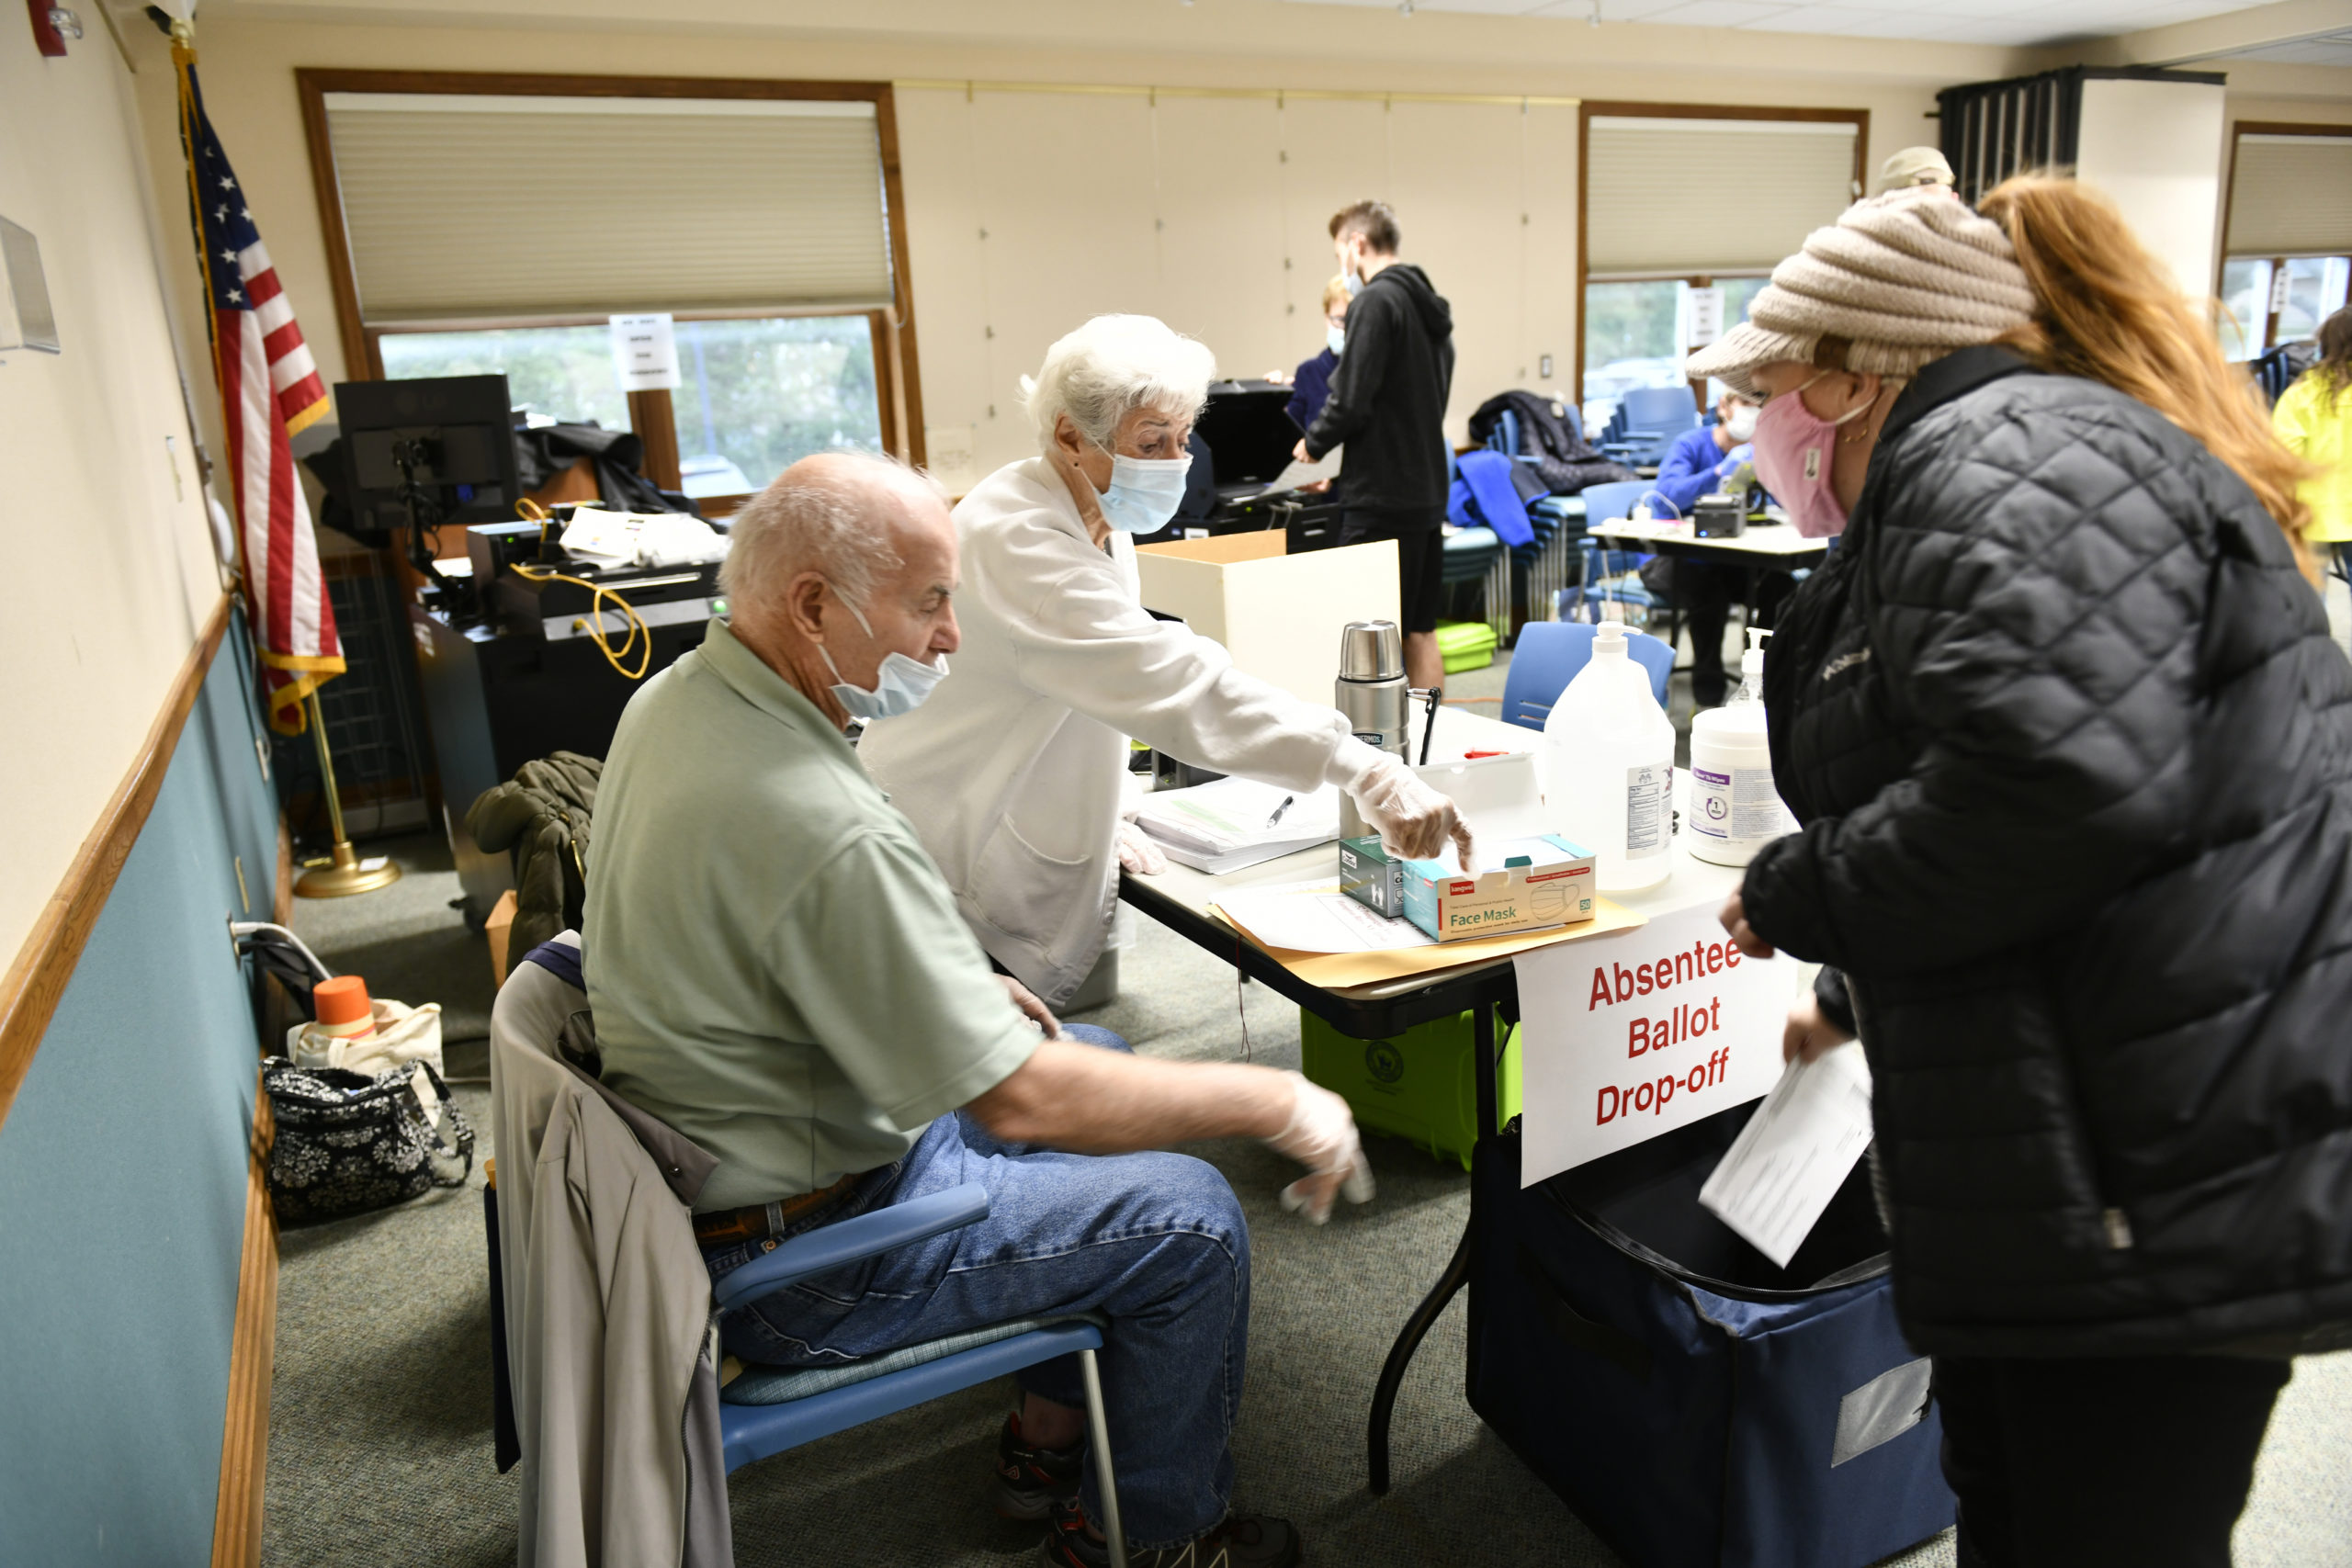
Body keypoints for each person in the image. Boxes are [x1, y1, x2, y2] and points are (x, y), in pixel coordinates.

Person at [1697, 180, 2352, 1568]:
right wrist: (1855, 982)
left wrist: (1806, 887)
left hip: (2158, 1166)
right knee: (2021, 1506)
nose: (1750, 427)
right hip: (2096, 1133)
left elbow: (2063, 778)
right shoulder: (2013, 462)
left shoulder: (1999, 456)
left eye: (1762, 387)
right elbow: (2004, 778)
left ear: (1850, 373)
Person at [583, 452, 1379, 1568]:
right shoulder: (815, 817)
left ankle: (1047, 1443)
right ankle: (1156, 1541)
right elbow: (1023, 1102)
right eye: (929, 603)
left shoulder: (679, 700)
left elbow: (758, 934)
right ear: (814, 606)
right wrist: (1275, 1097)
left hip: (727, 1161)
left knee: (1094, 1043)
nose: (953, 637)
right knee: (1191, 1218)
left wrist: (935, 979)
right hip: (803, 1261)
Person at [860, 314, 1473, 1010]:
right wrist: (1363, 765)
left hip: (984, 814)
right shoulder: (1022, 540)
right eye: (1151, 442)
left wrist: (1108, 805)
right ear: (1070, 435)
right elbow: (1172, 682)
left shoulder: (1093, 521)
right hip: (934, 843)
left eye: (1182, 440)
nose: (1175, 462)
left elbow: (1090, 688)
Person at [1289, 199, 1457, 690]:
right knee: (1420, 631)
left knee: (1364, 635)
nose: (1341, 259)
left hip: (1381, 500)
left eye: (1339, 248)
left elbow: (1352, 400)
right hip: (1427, 491)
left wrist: (1312, 447)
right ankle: (1429, 748)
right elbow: (1401, 409)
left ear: (1356, 244)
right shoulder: (1430, 307)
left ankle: (1374, 752)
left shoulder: (1375, 302)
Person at [1649, 379, 1785, 707]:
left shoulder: (1761, 452)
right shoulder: (1691, 445)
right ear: (1724, 406)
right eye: (1744, 403)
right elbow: (1667, 496)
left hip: (1735, 561)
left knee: (1782, 591)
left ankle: (1764, 686)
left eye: (1759, 404)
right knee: (1709, 597)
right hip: (1675, 562)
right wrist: (1720, 470)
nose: (1752, 412)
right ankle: (1706, 700)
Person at [2271, 303, 2352, 651]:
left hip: (2311, 514)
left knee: (2310, 597)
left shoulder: (2301, 396)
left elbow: (2280, 457)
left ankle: (2315, 662)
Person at [1283, 274, 1351, 432]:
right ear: (1327, 318)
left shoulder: (1374, 372)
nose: (1345, 327)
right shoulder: (1308, 373)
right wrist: (1276, 400)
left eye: (1352, 319)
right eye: (1339, 319)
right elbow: (1288, 435)